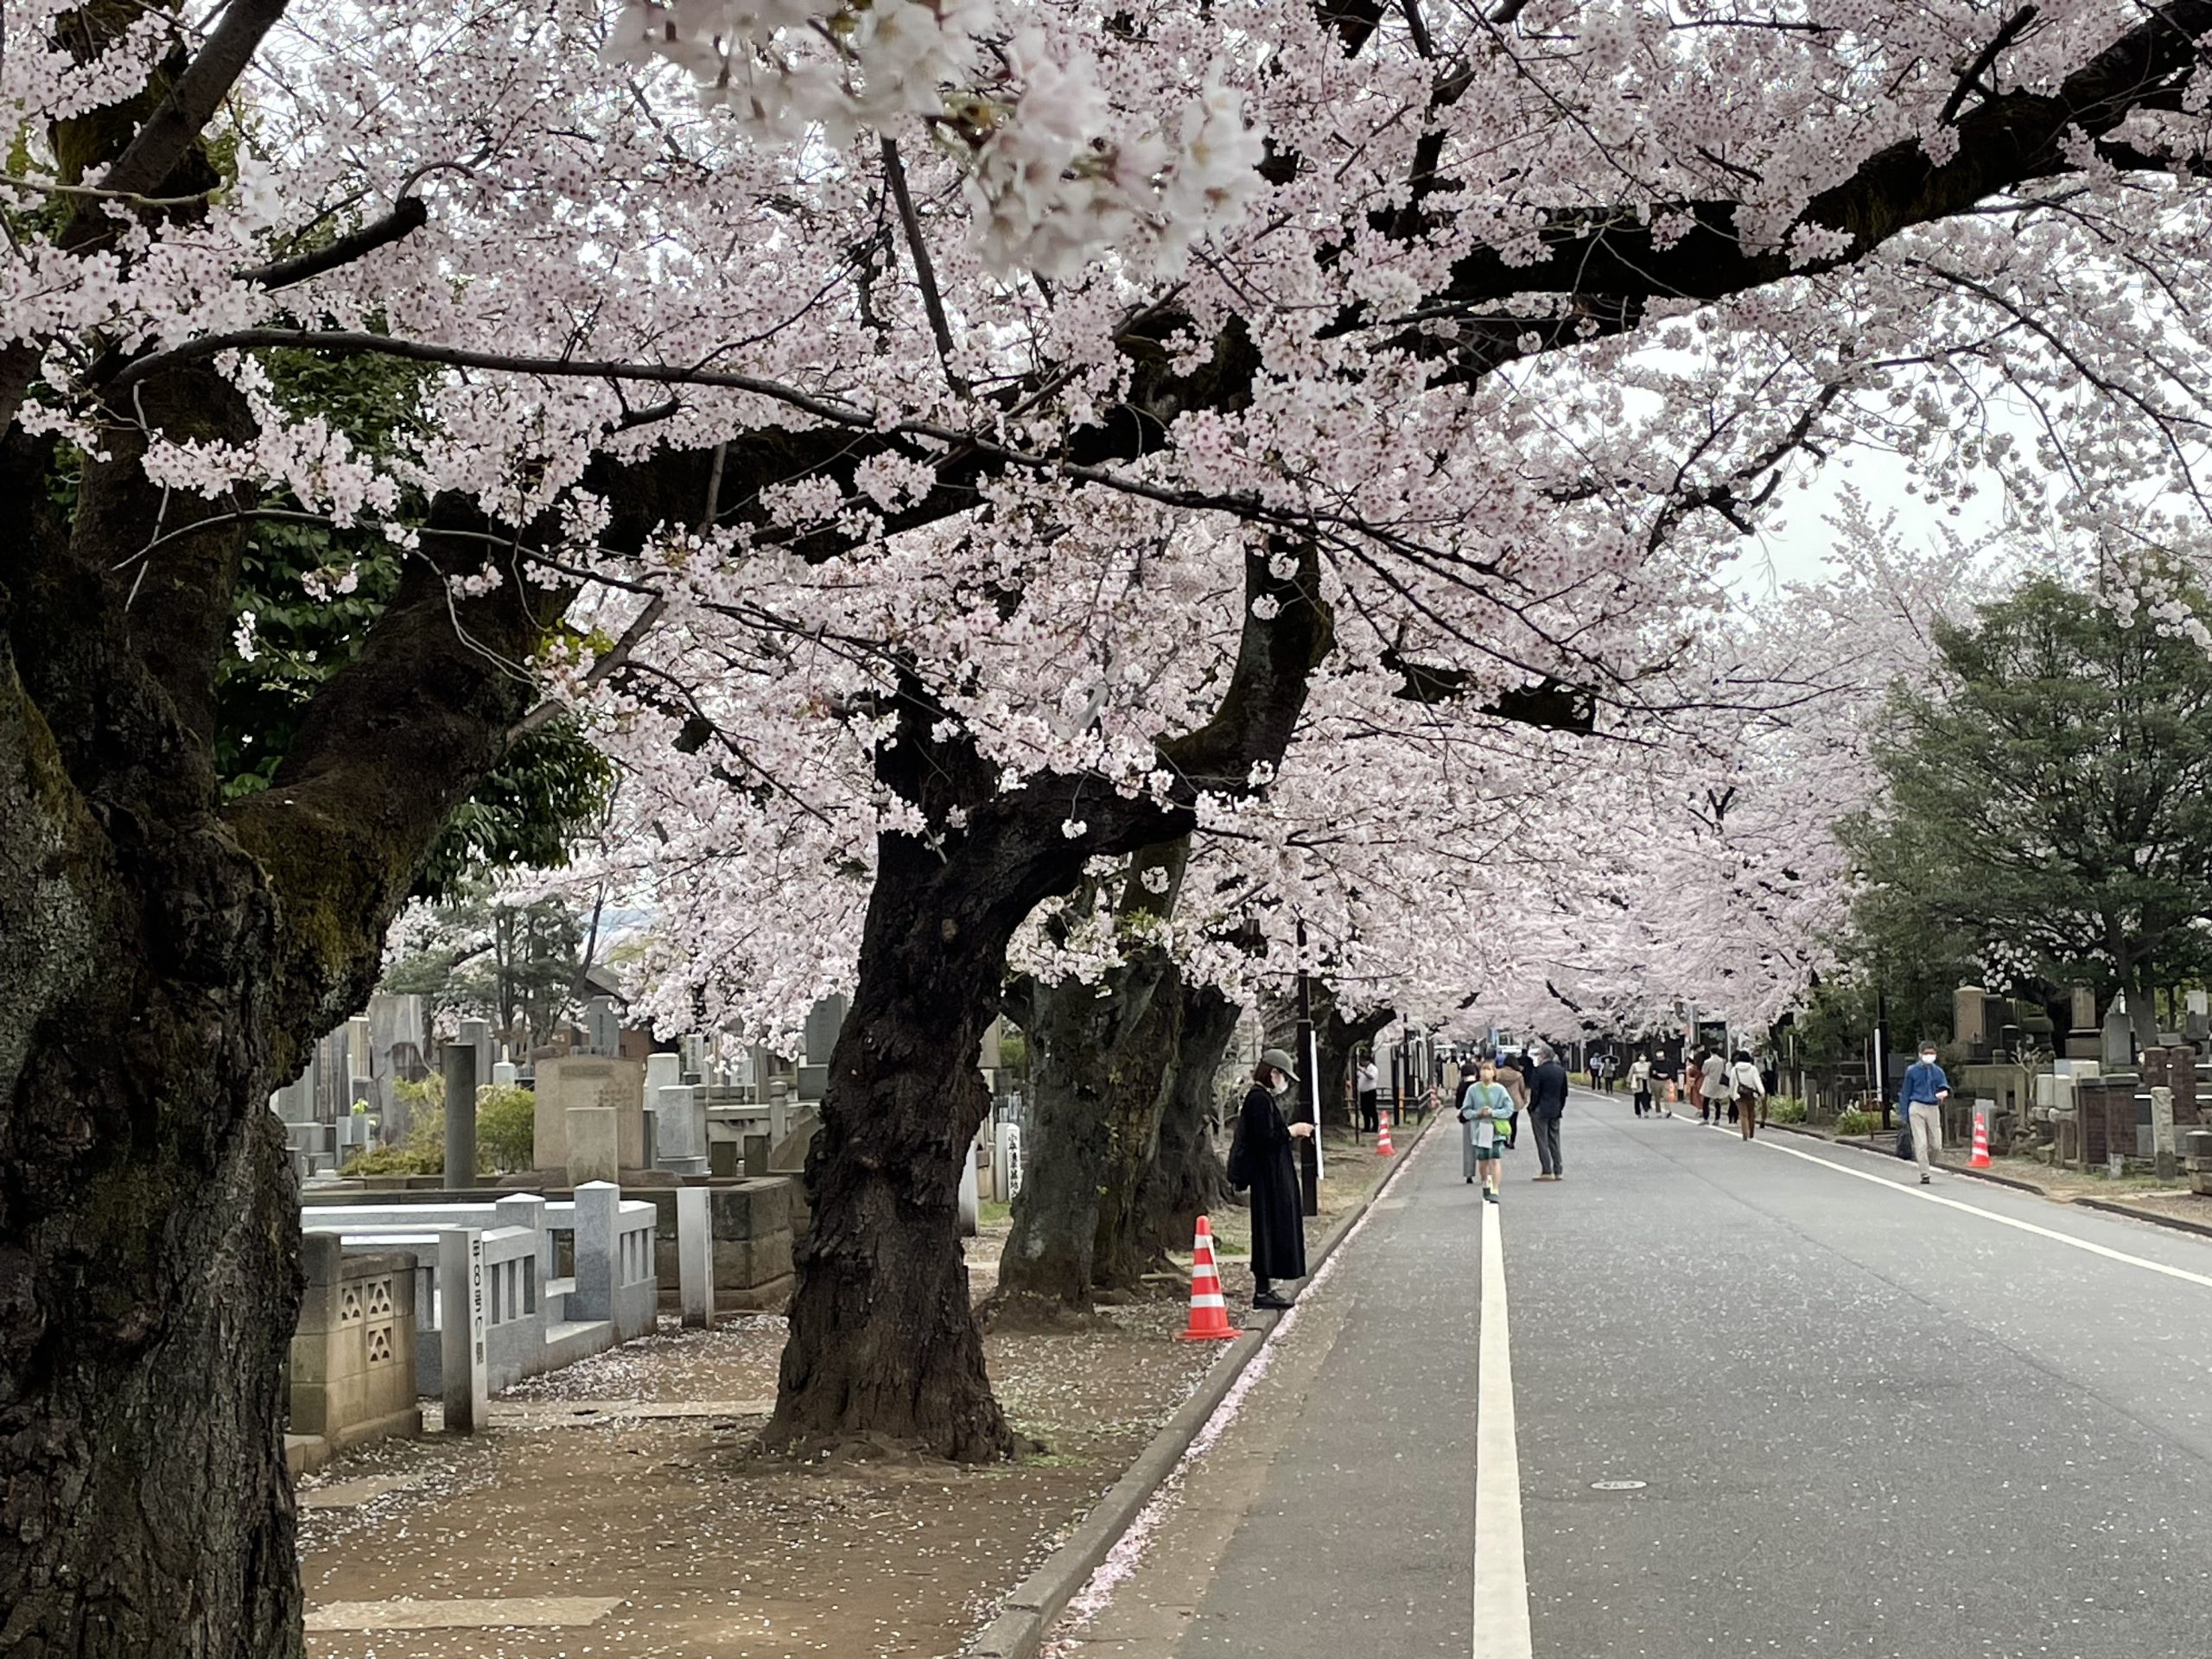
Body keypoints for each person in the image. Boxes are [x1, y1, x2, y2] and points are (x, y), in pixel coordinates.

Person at [1898, 1041, 1951, 1184]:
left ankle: (1928, 1163)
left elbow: (1944, 1086)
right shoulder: (1912, 1071)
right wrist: (1903, 1113)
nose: (1929, 1056)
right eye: (1926, 1053)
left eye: (1932, 1053)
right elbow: (1906, 1092)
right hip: (1916, 1106)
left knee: (1936, 1145)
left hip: (1933, 1107)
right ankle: (1925, 1173)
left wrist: (1943, 1092)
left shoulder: (1938, 1071)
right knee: (1921, 1143)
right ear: (1920, 1054)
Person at [1459, 1062, 1512, 1202]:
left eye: (1489, 1069)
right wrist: (1477, 1113)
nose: (1486, 1072)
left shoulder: (1500, 1090)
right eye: (1483, 1069)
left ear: (1494, 1073)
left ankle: (1495, 1189)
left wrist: (1493, 1112)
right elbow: (1465, 1110)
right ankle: (1485, 1184)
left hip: (1495, 1129)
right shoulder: (1473, 1090)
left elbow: (1509, 1108)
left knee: (1495, 1159)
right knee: (1483, 1161)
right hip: (1479, 1130)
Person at [1527, 1045, 1570, 1180]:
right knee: (1554, 1140)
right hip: (1555, 1109)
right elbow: (1564, 1093)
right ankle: (1558, 1170)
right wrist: (1560, 1107)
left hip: (1540, 1109)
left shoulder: (1539, 1071)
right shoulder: (1560, 1071)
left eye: (1539, 1055)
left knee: (1542, 1141)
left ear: (1543, 1056)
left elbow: (1536, 1092)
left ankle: (1546, 1170)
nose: (1538, 1058)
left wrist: (1531, 1107)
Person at [1492, 1052, 1529, 1150]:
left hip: (1501, 1100)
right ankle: (1512, 1141)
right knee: (1513, 1122)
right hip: (1514, 1101)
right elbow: (1522, 1089)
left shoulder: (1498, 1073)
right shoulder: (1518, 1075)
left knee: (1503, 1120)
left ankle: (1504, 1139)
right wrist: (1524, 1100)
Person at [1729, 1050, 1767, 1140]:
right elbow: (1757, 1081)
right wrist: (1762, 1092)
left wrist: (1731, 1094)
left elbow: (1732, 1083)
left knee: (1743, 1115)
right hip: (1751, 1094)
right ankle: (1751, 1133)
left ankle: (1744, 1134)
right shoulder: (1753, 1069)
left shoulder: (1735, 1069)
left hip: (1739, 1094)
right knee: (1751, 1113)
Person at [1700, 1046, 1731, 1126]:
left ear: (1710, 1052)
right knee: (1717, 1101)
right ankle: (1717, 1119)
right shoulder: (1722, 1061)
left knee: (1706, 1101)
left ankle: (1706, 1118)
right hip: (1719, 1082)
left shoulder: (1707, 1062)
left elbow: (1704, 1072)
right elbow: (1724, 1071)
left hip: (1710, 1082)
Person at [1356, 1055, 1379, 1135]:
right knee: (1364, 1110)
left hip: (1370, 1092)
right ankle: (1367, 1127)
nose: (1362, 1062)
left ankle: (1375, 1126)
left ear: (1368, 1061)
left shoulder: (1372, 1068)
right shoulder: (1364, 1069)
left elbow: (1371, 1077)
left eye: (1363, 1061)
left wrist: (1364, 1071)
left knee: (1371, 1110)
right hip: (1364, 1092)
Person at [1629, 1053, 1653, 1117]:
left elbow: (1651, 1073)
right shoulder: (1635, 1065)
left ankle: (1646, 1110)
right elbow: (1630, 1073)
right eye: (1641, 1056)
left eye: (1644, 1056)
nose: (1642, 1058)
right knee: (1638, 1097)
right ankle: (1638, 1112)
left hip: (1646, 1082)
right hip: (1638, 1082)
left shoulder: (1648, 1064)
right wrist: (1629, 1080)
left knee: (1647, 1097)